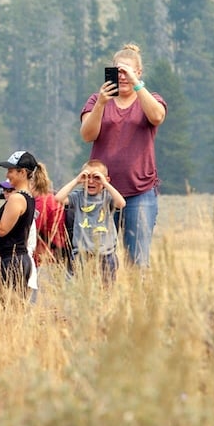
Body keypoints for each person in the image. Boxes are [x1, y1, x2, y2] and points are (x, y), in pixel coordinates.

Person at [79, 43, 166, 267]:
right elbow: (87, 135)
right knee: (98, 257)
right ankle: (104, 299)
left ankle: (135, 301)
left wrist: (137, 87)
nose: (123, 77)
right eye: (118, 71)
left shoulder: (150, 98)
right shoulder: (97, 100)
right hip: (101, 191)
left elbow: (157, 117)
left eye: (127, 72)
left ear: (139, 73)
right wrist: (101, 103)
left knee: (137, 260)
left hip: (139, 191)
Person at [0, 151, 37, 304]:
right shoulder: (27, 197)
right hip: (14, 259)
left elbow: (2, 229)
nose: (7, 174)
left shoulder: (17, 198)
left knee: (12, 308)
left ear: (22, 172)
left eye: (11, 171)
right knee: (14, 307)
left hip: (12, 260)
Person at [55, 159, 126, 284]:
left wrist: (105, 184)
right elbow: (59, 198)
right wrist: (77, 180)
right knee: (81, 290)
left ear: (105, 180)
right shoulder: (78, 197)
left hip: (106, 254)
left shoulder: (107, 197)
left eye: (96, 178)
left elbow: (121, 203)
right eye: (87, 177)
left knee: (106, 293)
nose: (91, 181)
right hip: (82, 254)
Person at [30, 162, 70, 274]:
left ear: (31, 182)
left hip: (46, 261)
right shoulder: (49, 198)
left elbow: (29, 232)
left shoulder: (41, 203)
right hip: (55, 258)